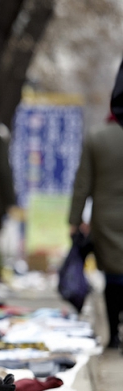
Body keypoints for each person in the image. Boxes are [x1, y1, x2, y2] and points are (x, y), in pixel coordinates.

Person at [68, 111, 123, 351]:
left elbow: (83, 184)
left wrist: (74, 219)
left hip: (106, 219)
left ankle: (113, 336)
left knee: (113, 276)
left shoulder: (97, 137)